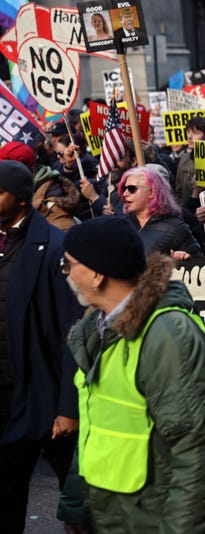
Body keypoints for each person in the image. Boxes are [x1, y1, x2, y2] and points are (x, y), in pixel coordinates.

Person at [61, 217, 205, 532]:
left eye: (68, 264)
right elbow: (96, 427)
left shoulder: (168, 335)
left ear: (97, 274)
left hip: (158, 520)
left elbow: (196, 454)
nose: (66, 273)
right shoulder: (96, 331)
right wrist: (76, 506)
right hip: (121, 517)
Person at [0, 161, 83, 534]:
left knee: (80, 499)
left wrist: (68, 407)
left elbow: (73, 333)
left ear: (19, 199)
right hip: (7, 396)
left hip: (45, 396)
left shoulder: (55, 246)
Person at [118, 166, 203, 259]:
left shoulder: (175, 228)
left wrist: (184, 260)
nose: (125, 194)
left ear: (152, 192)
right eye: (124, 189)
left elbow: (199, 265)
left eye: (131, 189)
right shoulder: (122, 225)